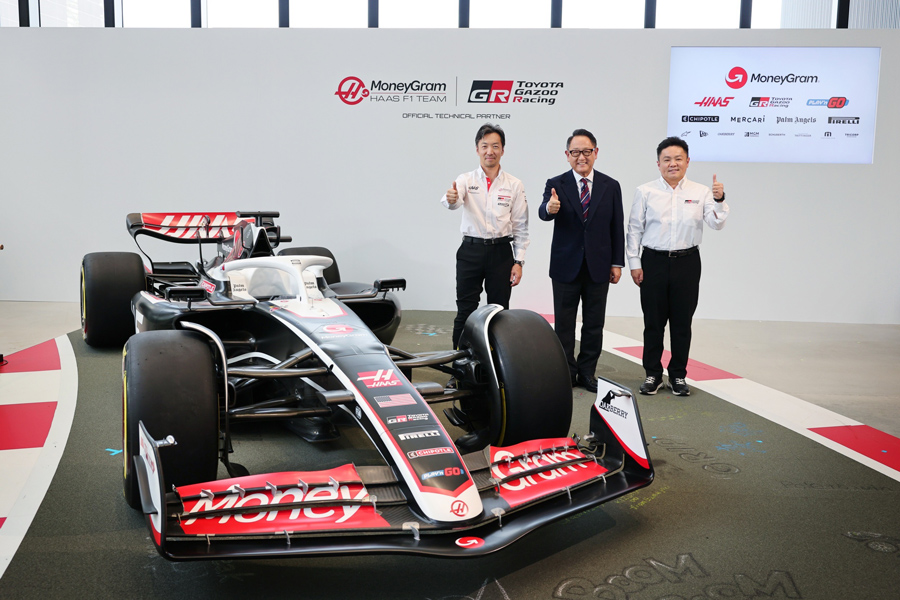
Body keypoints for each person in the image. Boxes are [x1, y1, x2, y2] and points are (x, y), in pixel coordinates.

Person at [626, 136, 729, 397]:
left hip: (687, 262)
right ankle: (652, 374)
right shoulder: (645, 191)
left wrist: (719, 200)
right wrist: (635, 263)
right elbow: (634, 230)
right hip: (653, 262)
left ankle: (678, 375)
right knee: (653, 322)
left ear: (687, 161)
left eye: (678, 159)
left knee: (682, 323)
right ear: (658, 163)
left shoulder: (701, 192)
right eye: (667, 159)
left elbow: (716, 224)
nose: (673, 164)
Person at [538, 129, 624, 393]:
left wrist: (616, 263)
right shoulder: (556, 183)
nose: (581, 157)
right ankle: (566, 371)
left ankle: (587, 373)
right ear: (567, 155)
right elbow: (544, 211)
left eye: (587, 151)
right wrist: (549, 209)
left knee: (594, 324)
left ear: (596, 153)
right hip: (566, 266)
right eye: (575, 152)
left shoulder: (611, 186)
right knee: (564, 323)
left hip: (599, 266)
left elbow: (616, 226)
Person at [441, 123, 529, 351]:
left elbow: (521, 226)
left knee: (499, 313)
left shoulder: (514, 184)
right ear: (477, 149)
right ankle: (459, 365)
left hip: (501, 253)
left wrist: (518, 262)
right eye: (485, 146)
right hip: (471, 252)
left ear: (503, 150)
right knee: (465, 311)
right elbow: (453, 201)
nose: (490, 151)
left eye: (495, 146)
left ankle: (499, 368)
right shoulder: (465, 180)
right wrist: (451, 199)